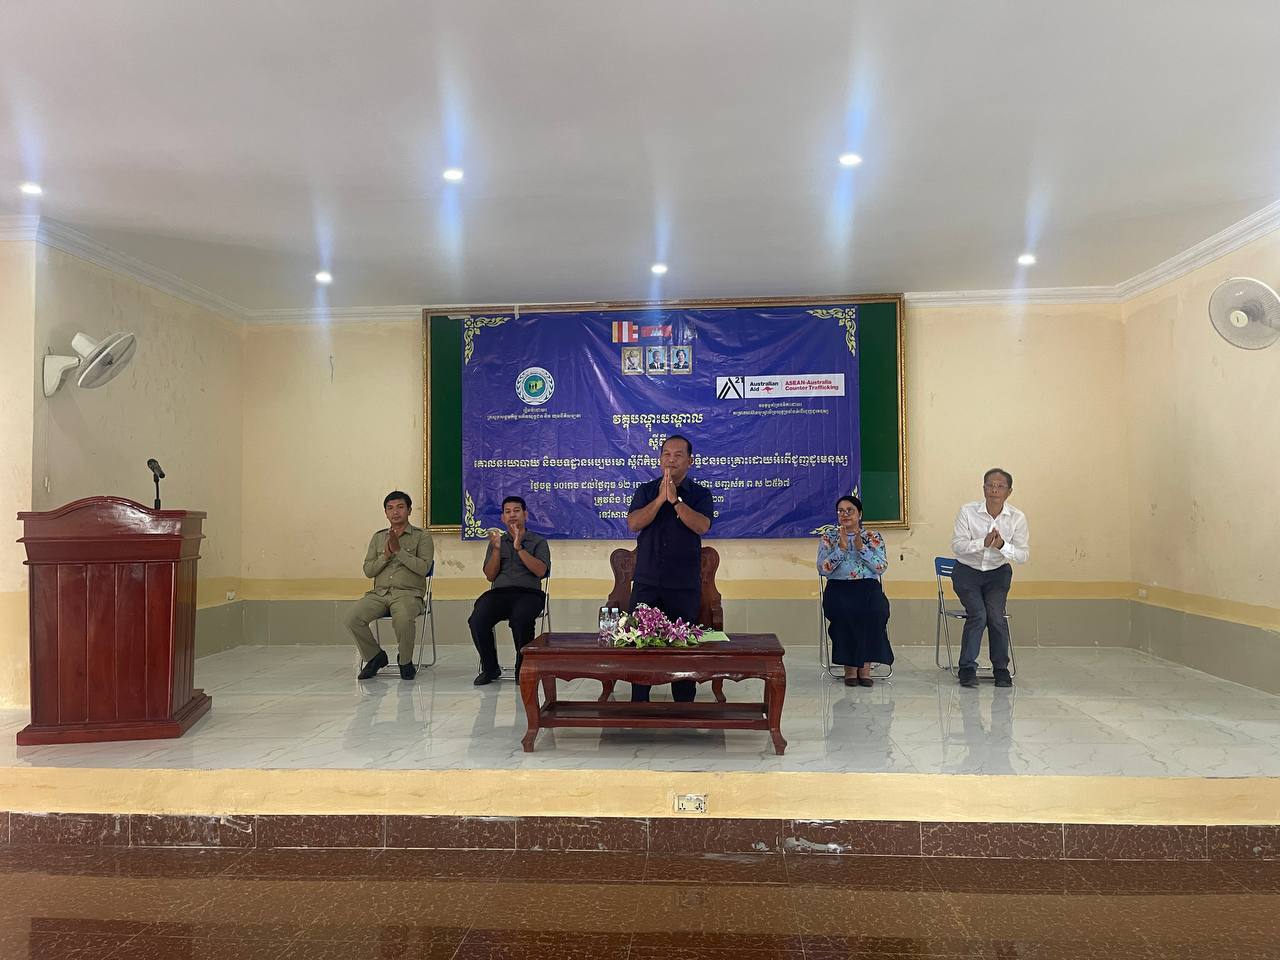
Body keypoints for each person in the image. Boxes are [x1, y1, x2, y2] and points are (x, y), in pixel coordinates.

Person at [625, 434, 713, 702]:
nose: (671, 460)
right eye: (666, 454)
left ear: (690, 461)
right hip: (647, 582)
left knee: (682, 649)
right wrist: (660, 499)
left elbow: (702, 526)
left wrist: (675, 501)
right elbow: (634, 524)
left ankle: (684, 707)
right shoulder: (645, 491)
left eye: (677, 455)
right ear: (660, 458)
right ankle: (640, 704)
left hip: (683, 585)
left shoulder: (700, 494)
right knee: (640, 646)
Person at [950, 467, 1030, 688]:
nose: (995, 490)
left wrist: (1002, 545)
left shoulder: (1017, 517)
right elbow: (957, 546)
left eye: (1000, 486)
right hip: (967, 572)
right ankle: (967, 668)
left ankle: (1001, 668)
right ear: (983, 488)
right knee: (978, 614)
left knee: (996, 616)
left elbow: (1023, 555)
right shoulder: (967, 511)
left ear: (1009, 492)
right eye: (990, 485)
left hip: (997, 574)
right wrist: (981, 543)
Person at [346, 490, 435, 680]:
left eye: (400, 507)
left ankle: (405, 662)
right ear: (385, 513)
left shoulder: (422, 536)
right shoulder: (378, 537)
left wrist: (399, 551)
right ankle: (375, 657)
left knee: (403, 618)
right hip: (379, 594)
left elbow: (424, 568)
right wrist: (385, 556)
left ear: (409, 510)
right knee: (352, 618)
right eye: (390, 508)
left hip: (408, 594)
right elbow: (368, 570)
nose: (395, 512)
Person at [469, 496, 551, 685]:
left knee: (521, 619)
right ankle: (490, 668)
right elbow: (490, 575)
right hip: (500, 593)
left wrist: (519, 548)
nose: (512, 515)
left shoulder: (538, 541)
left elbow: (541, 571)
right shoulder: (497, 542)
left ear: (525, 514)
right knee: (477, 620)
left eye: (516, 510)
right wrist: (497, 550)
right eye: (508, 512)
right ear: (503, 518)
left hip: (529, 594)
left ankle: (523, 668)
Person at [817, 495, 893, 687]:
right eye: (841, 511)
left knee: (876, 612)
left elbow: (881, 567)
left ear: (859, 514)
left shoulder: (872, 537)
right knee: (845, 613)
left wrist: (861, 548)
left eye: (850, 510)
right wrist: (841, 550)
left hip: (868, 588)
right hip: (839, 588)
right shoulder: (829, 537)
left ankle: (865, 668)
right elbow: (822, 569)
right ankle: (850, 668)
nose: (845, 514)